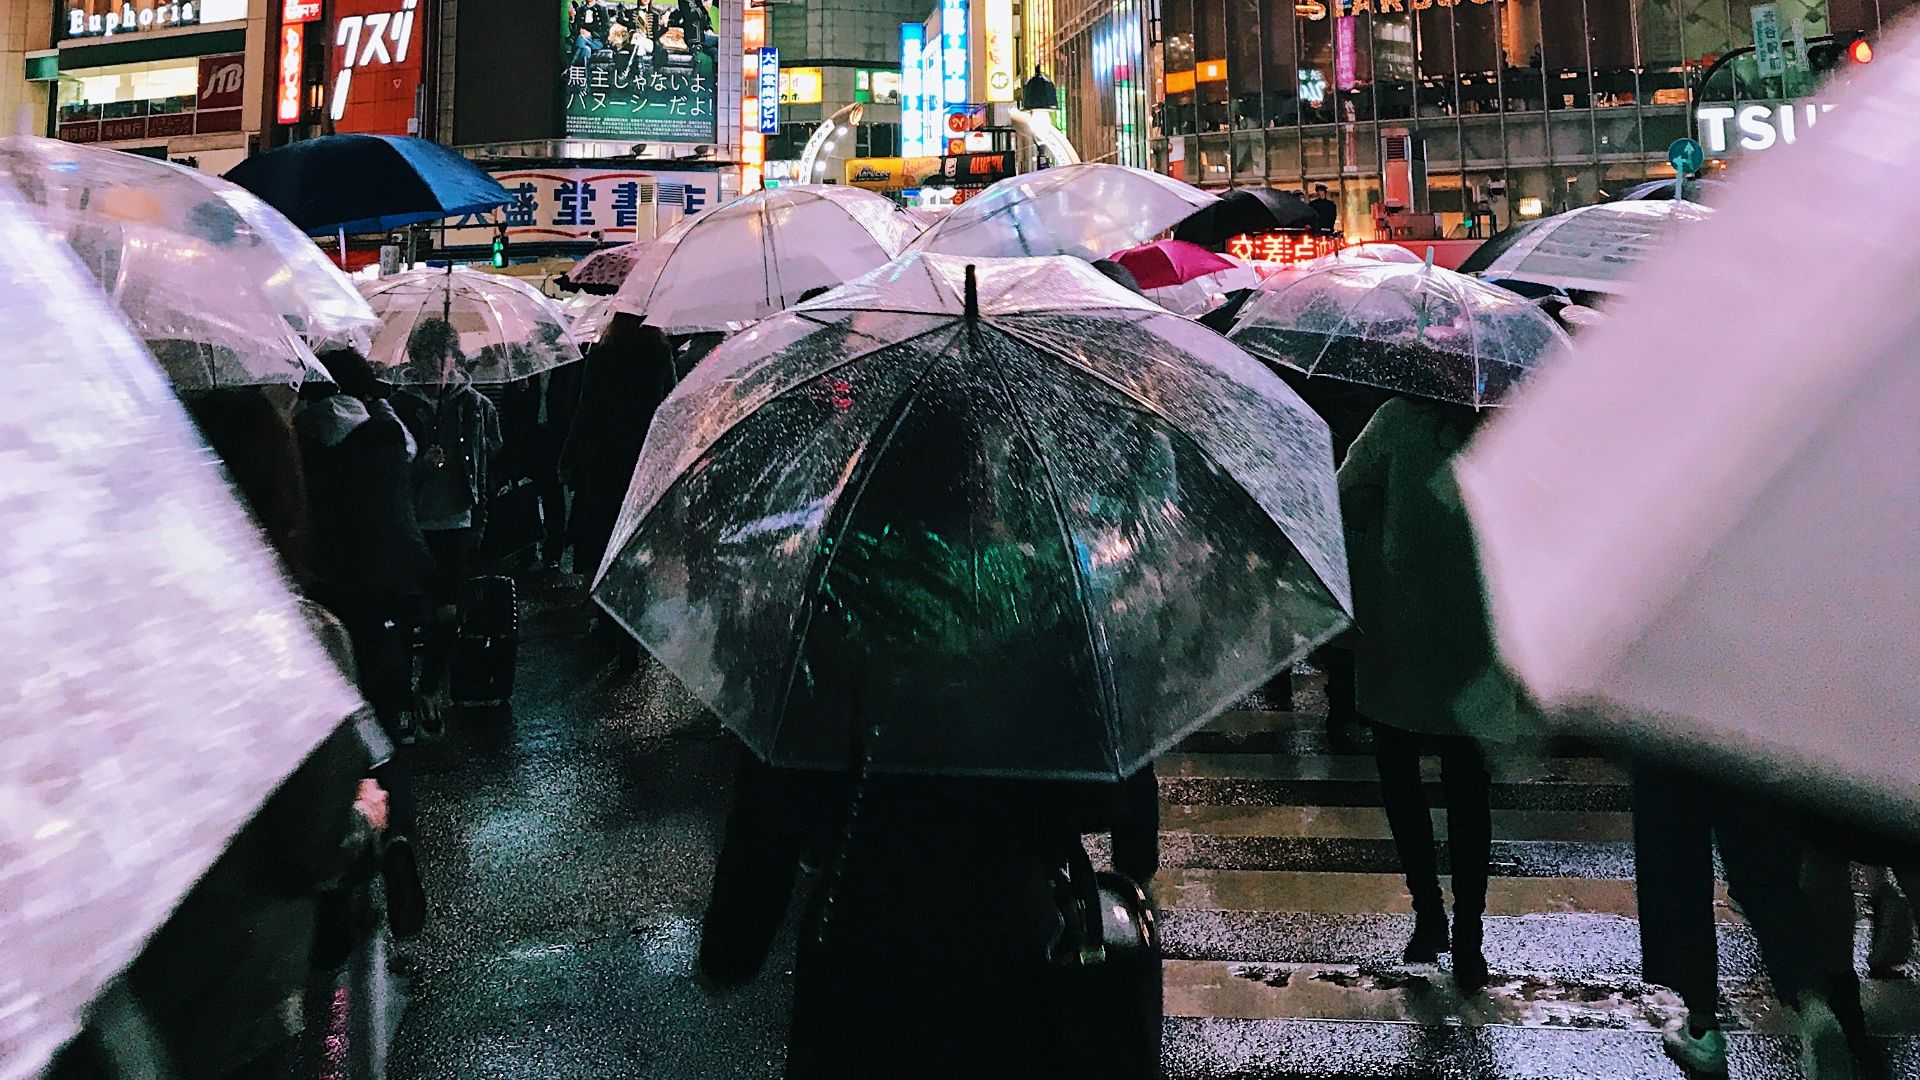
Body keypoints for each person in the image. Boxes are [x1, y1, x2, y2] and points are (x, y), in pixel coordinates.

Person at [1338, 395, 1514, 993]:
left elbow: (1346, 500)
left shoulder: (1394, 421)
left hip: (1401, 632)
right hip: (1476, 637)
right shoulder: (1503, 428)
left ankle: (1428, 912)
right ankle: (1470, 934)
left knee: (1401, 781)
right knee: (1469, 794)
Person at [1633, 767, 1854, 1080]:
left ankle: (1703, 1028)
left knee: (1674, 853)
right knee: (1764, 865)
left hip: (1675, 743)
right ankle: (1811, 1001)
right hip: (1748, 742)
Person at [390, 320, 502, 727]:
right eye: (428, 356)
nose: (437, 365)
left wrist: (480, 518)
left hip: (457, 521)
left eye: (444, 356)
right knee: (409, 613)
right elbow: (393, 474)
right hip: (415, 525)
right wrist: (421, 466)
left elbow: (486, 463)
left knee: (448, 613)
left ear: (455, 359)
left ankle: (429, 689)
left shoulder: (474, 405)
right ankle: (403, 696)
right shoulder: (399, 406)